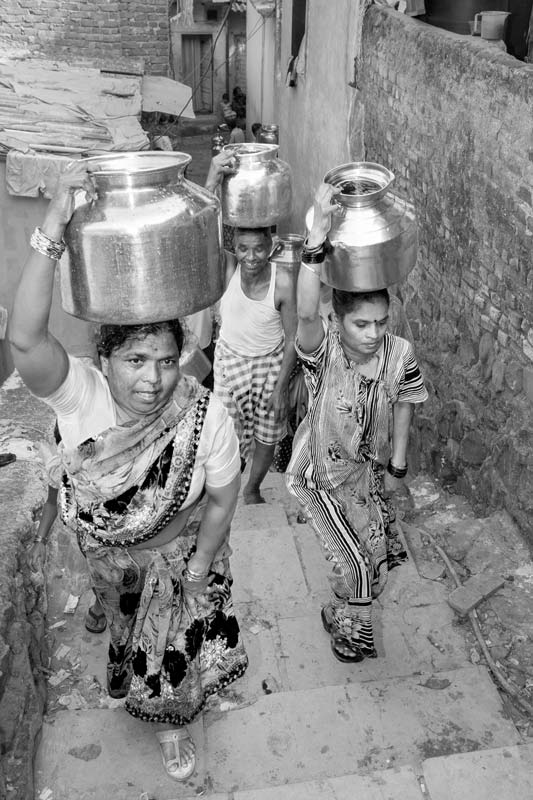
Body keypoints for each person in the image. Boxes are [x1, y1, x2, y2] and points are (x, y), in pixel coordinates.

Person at [9, 164, 248, 783]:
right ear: (104, 359)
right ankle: (116, 641)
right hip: (106, 560)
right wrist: (52, 227)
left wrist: (197, 568)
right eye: (135, 360)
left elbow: (223, 501)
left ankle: (171, 723)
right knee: (122, 625)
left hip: (175, 562)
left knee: (169, 651)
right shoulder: (81, 398)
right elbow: (26, 341)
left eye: (166, 361)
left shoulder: (204, 415)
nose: (153, 379)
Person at [285, 183, 428, 664]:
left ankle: (337, 612)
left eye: (381, 322)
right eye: (361, 324)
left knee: (376, 566)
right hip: (317, 478)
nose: (373, 334)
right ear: (338, 320)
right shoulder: (322, 351)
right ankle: (352, 638)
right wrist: (316, 238)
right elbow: (306, 309)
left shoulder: (399, 353)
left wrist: (398, 465)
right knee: (356, 569)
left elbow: (406, 401)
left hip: (365, 477)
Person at [205, 154, 297, 504]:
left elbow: (293, 339)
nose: (251, 257)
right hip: (229, 362)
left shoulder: (282, 283)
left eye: (259, 249)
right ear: (235, 249)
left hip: (269, 365)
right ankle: (226, 489)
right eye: (243, 249)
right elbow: (203, 229)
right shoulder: (229, 268)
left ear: (271, 247)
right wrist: (212, 179)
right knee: (223, 434)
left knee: (267, 435)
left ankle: (252, 488)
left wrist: (281, 387)